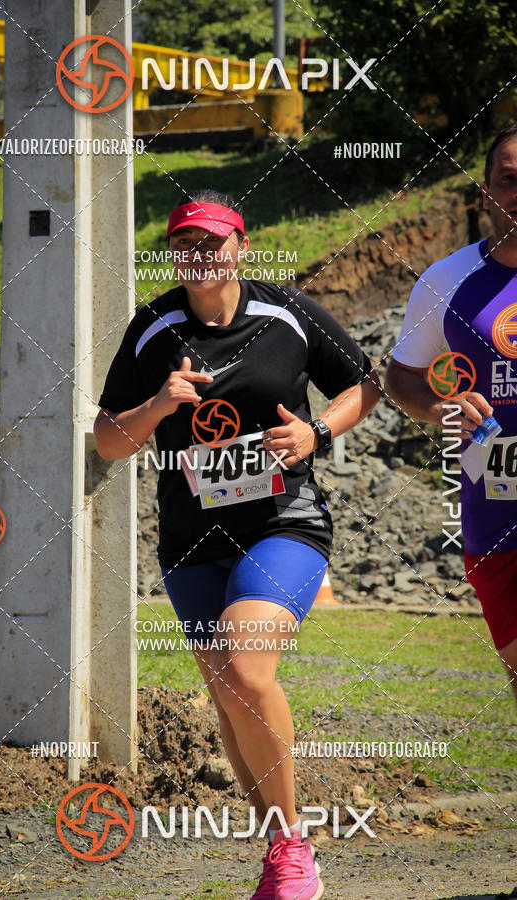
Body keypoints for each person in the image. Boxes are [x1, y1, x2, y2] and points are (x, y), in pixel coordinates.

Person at [94, 189, 381, 900]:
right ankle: (280, 854)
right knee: (227, 693)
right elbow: (106, 440)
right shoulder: (151, 328)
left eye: (211, 242)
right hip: (192, 542)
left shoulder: (287, 313)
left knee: (246, 669)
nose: (197, 255)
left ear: (240, 245)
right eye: (183, 244)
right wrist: (160, 404)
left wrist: (318, 433)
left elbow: (365, 384)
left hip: (284, 524)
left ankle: (292, 849)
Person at [385, 124, 517, 704]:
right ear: (485, 193)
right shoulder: (445, 280)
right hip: (495, 504)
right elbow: (398, 376)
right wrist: (441, 410)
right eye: (508, 180)